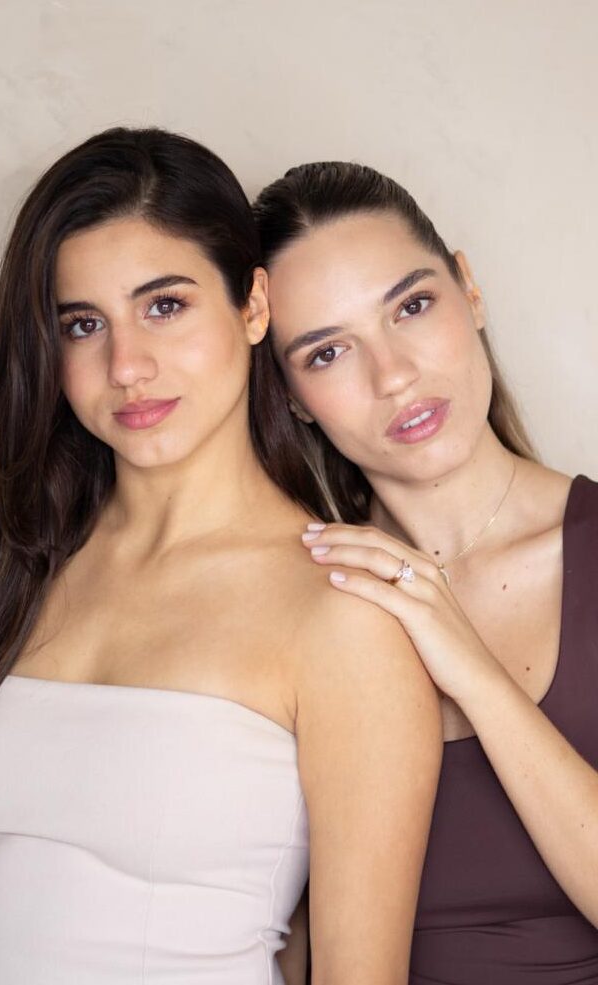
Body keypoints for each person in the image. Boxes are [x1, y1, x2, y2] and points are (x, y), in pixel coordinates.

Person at [0, 130, 442, 985]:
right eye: (83, 324)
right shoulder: (23, 560)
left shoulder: (339, 610)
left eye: (164, 305)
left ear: (253, 307)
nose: (127, 366)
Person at [252, 161, 598, 984]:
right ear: (293, 396)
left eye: (411, 306)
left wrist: (468, 666)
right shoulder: (296, 601)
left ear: (469, 289)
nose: (394, 374)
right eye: (328, 352)